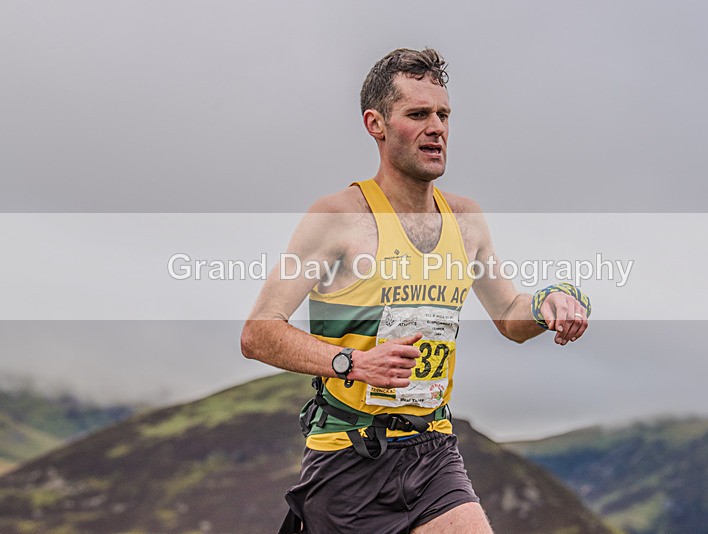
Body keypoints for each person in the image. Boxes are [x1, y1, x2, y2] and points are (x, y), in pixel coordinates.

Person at [241, 48, 591, 534]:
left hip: (433, 452)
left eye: (443, 114)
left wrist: (549, 301)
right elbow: (258, 333)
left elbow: (510, 316)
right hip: (348, 458)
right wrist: (354, 363)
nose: (437, 127)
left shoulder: (465, 220)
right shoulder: (339, 217)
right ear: (376, 124)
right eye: (418, 114)